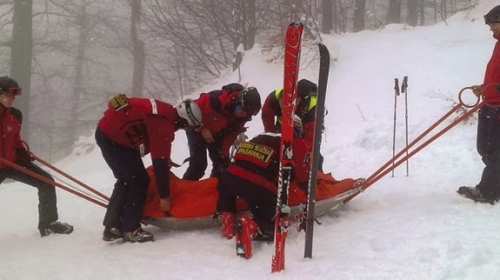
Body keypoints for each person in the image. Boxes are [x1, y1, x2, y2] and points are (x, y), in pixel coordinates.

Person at [96, 95, 203, 242]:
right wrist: (164, 196)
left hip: (108, 133)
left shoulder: (165, 112)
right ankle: (130, 229)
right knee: (138, 181)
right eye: (187, 126)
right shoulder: (163, 122)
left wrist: (163, 158)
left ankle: (112, 226)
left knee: (126, 179)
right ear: (183, 120)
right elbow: (160, 162)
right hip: (115, 140)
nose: (184, 129)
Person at [215, 115, 309, 258]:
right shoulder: (294, 142)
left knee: (227, 186)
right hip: (258, 185)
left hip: (230, 177)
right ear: (297, 130)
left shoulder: (262, 135)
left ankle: (228, 222)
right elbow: (301, 175)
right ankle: (251, 226)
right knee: (277, 226)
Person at [0, 76, 73, 237]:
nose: (12, 99)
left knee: (46, 182)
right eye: (9, 95)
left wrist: (21, 152)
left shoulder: (15, 114)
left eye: (14, 96)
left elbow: (15, 139)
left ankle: (49, 224)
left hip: (11, 162)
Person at [458, 6, 500, 205]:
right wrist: (484, 88)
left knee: (495, 151)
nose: (491, 28)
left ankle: (489, 191)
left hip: (499, 107)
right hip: (489, 103)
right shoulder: (498, 45)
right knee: (484, 148)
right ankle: (494, 184)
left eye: (494, 23)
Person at [182, 83, 262, 181]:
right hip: (196, 127)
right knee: (198, 165)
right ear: (237, 102)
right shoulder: (215, 100)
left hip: (218, 131)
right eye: (243, 111)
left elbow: (231, 136)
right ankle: (185, 189)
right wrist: (202, 128)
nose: (244, 115)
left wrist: (222, 155)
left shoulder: (243, 116)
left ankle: (214, 189)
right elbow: (190, 110)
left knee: (222, 166)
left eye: (248, 113)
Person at [261, 78, 324, 170]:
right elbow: (266, 116)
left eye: (290, 104)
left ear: (298, 100)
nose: (285, 108)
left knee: (313, 157)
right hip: (282, 127)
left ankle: (316, 177)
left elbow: (311, 138)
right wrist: (271, 136)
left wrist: (302, 155)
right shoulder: (273, 98)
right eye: (283, 104)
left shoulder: (312, 108)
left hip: (305, 127)